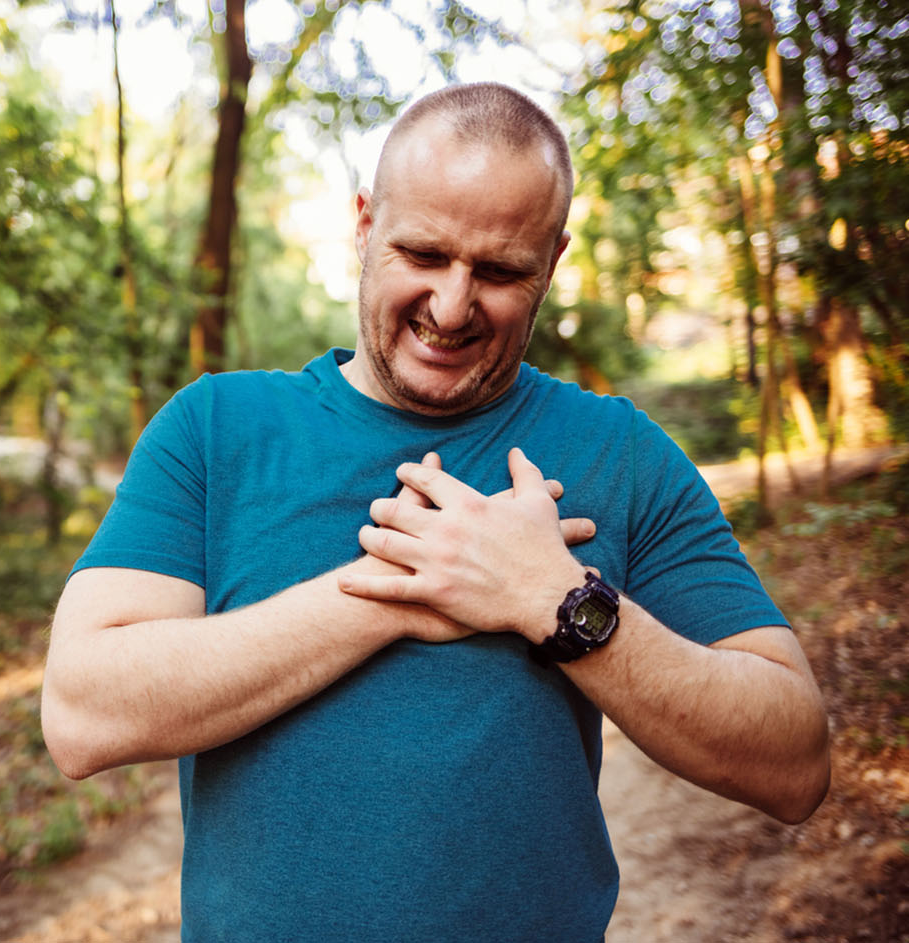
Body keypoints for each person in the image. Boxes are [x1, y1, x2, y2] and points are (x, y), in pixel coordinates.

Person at [40, 82, 829, 942]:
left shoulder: (621, 451)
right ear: (364, 225)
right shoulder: (216, 429)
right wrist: (399, 590)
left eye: (499, 271)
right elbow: (82, 714)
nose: (452, 308)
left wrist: (559, 605)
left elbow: (795, 762)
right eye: (423, 253)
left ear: (554, 261)